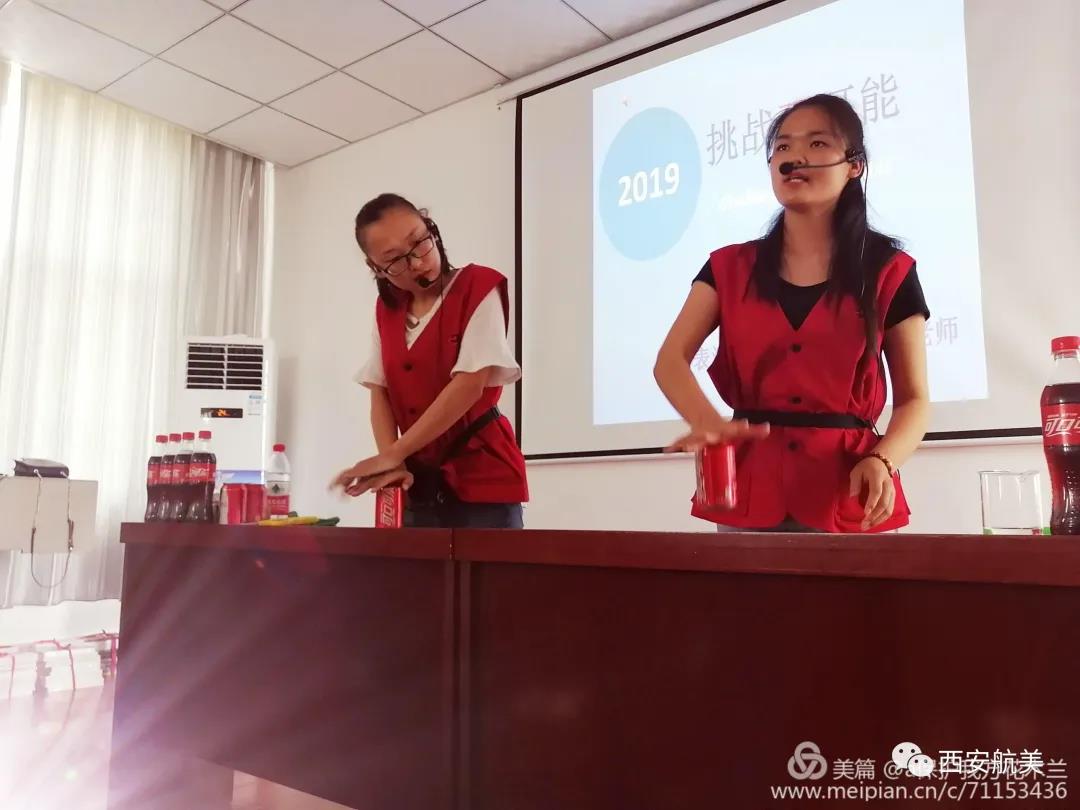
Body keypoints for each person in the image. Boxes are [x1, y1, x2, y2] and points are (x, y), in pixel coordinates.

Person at [654, 94, 930, 532]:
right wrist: (708, 423)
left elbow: (914, 399)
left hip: (850, 489)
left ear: (854, 165)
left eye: (817, 144)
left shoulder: (889, 271)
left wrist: (883, 459)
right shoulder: (728, 267)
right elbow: (670, 360)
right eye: (782, 147)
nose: (793, 157)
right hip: (748, 488)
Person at [332, 193, 528, 528]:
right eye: (395, 260)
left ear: (431, 228)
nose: (419, 263)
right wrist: (393, 464)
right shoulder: (386, 311)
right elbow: (380, 390)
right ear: (375, 268)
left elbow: (470, 384)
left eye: (419, 242)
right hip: (418, 484)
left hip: (484, 481)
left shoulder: (479, 286)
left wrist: (392, 454)